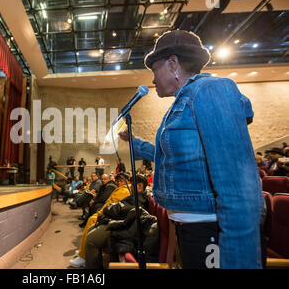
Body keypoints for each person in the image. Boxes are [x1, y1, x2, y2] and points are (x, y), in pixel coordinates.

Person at [118, 30, 263, 269]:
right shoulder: (185, 100)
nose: (152, 79)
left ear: (173, 63)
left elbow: (239, 186)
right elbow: (176, 157)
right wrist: (134, 143)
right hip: (193, 228)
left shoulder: (210, 90)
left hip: (210, 227)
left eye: (154, 69)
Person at [84, 175, 158, 268]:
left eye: (132, 185)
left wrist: (107, 218)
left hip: (121, 227)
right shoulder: (135, 197)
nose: (130, 187)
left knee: (91, 239)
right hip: (119, 222)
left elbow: (119, 213)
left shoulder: (138, 201)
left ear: (139, 186)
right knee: (91, 228)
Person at [70, 173, 131, 268]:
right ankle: (84, 251)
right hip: (109, 214)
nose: (119, 182)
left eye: (121, 181)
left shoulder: (124, 191)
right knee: (91, 214)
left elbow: (113, 206)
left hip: (113, 219)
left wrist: (101, 213)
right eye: (118, 180)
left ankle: (83, 256)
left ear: (127, 181)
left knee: (91, 223)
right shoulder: (118, 189)